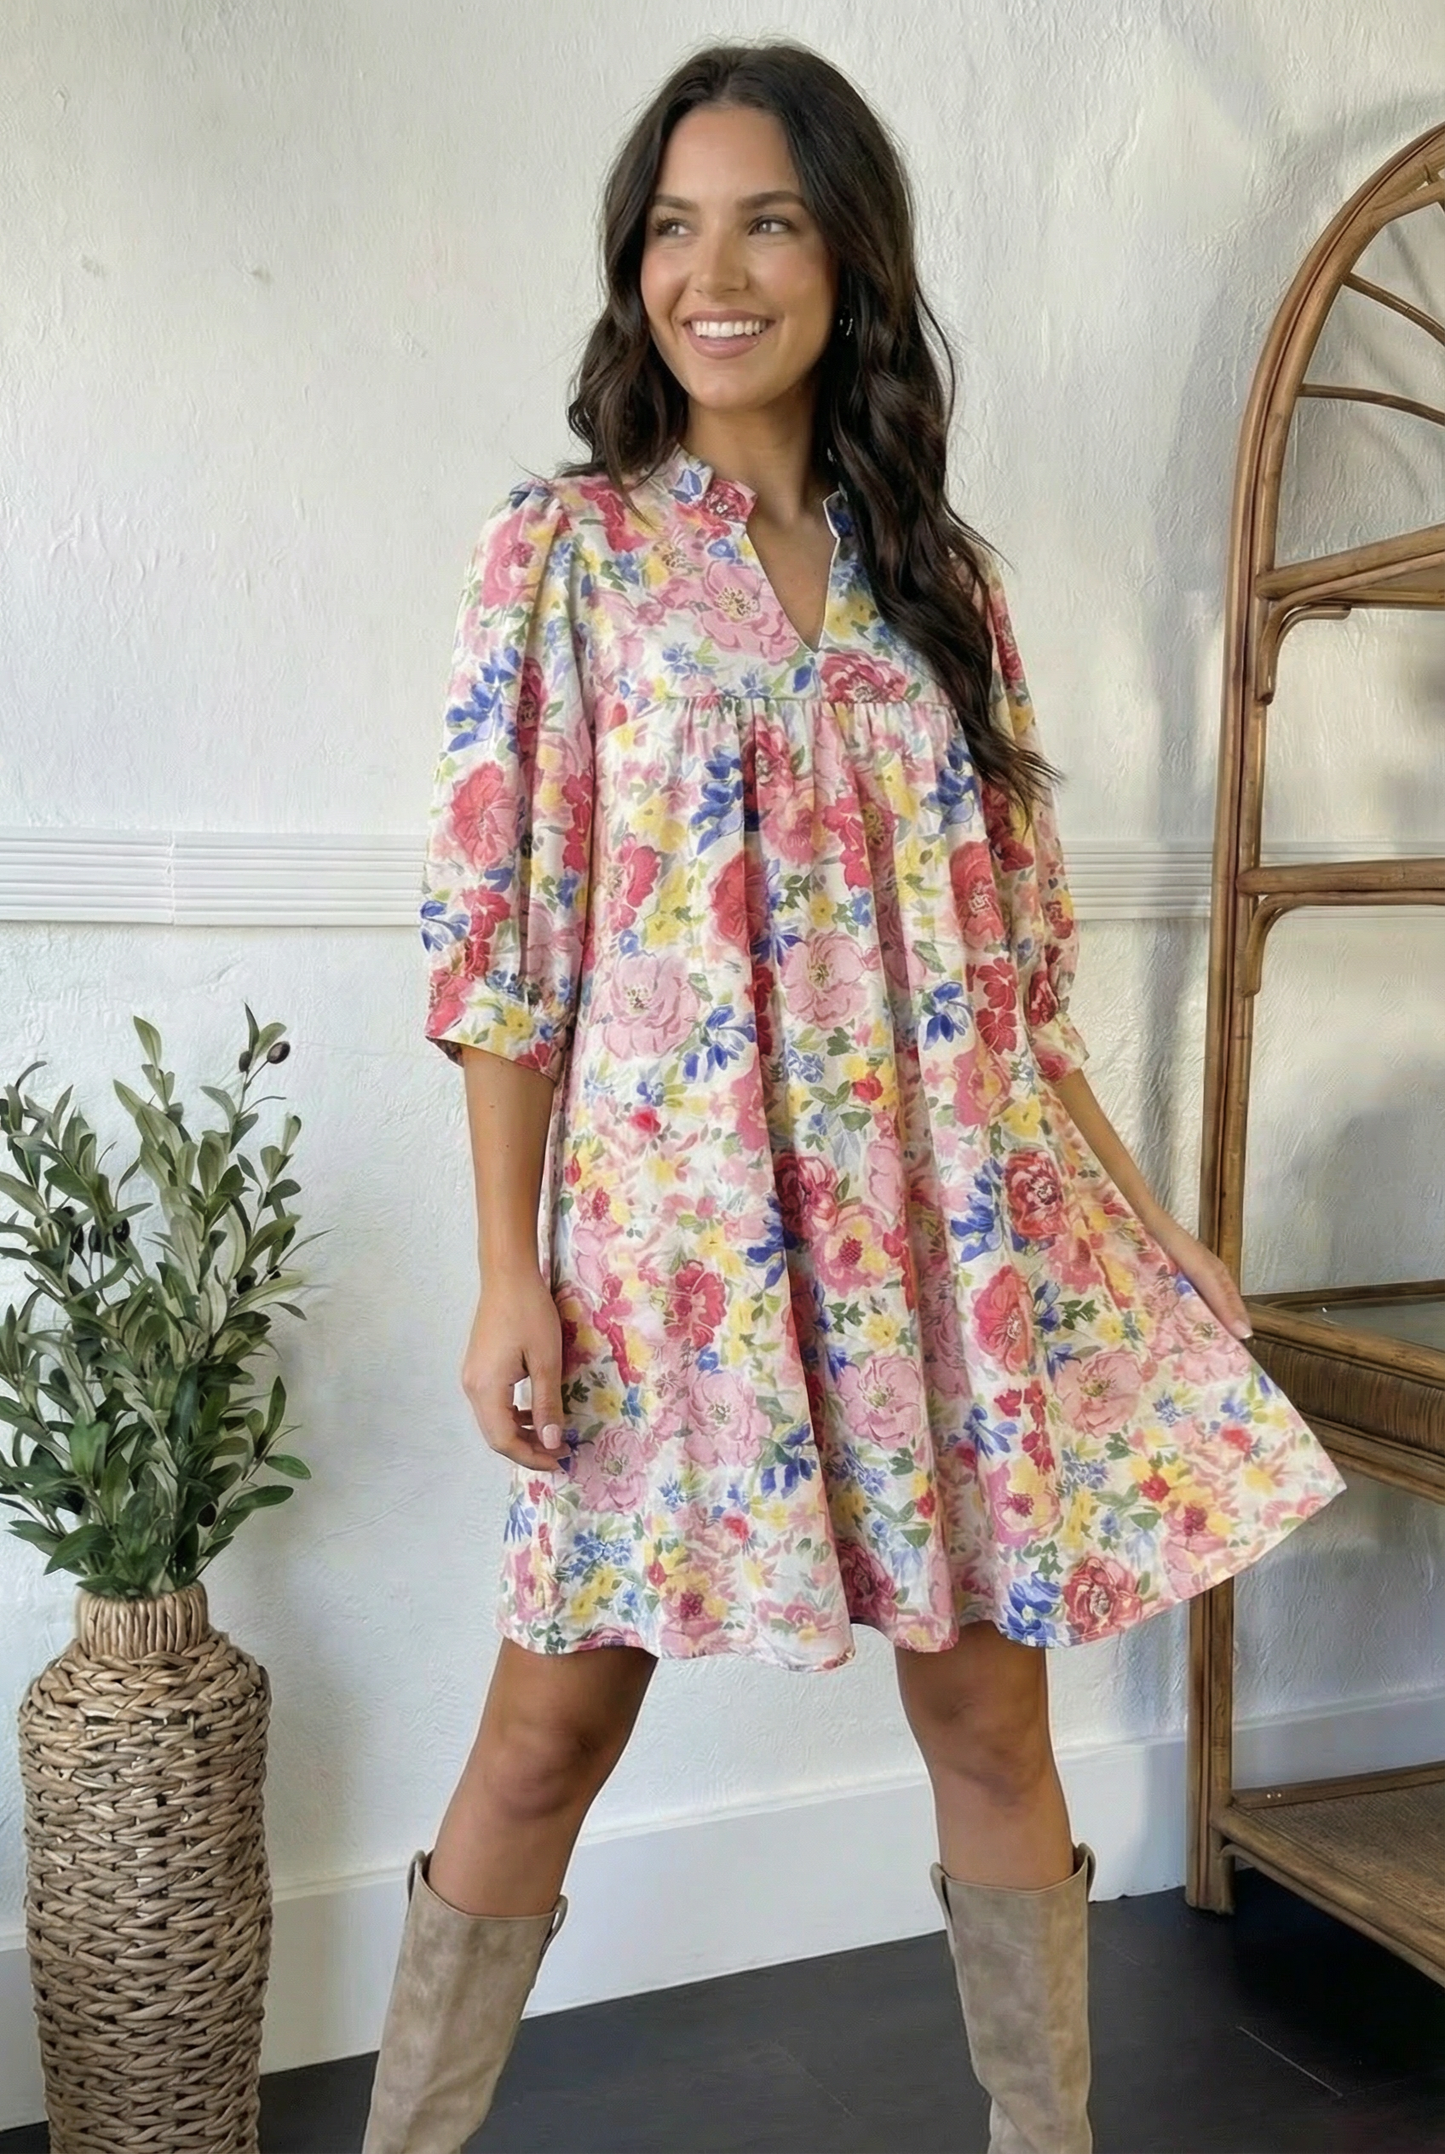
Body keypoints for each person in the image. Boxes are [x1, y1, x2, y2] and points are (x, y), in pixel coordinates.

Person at [362, 38, 1346, 2154]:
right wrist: (502, 1272)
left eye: (767, 219)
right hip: (669, 1247)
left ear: (847, 259)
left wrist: (1148, 1220)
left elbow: (1004, 987)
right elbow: (504, 948)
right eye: (670, 228)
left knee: (982, 1699)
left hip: (934, 1237)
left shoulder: (943, 588)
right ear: (632, 270)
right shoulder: (565, 559)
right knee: (547, 1721)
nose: (711, 272)